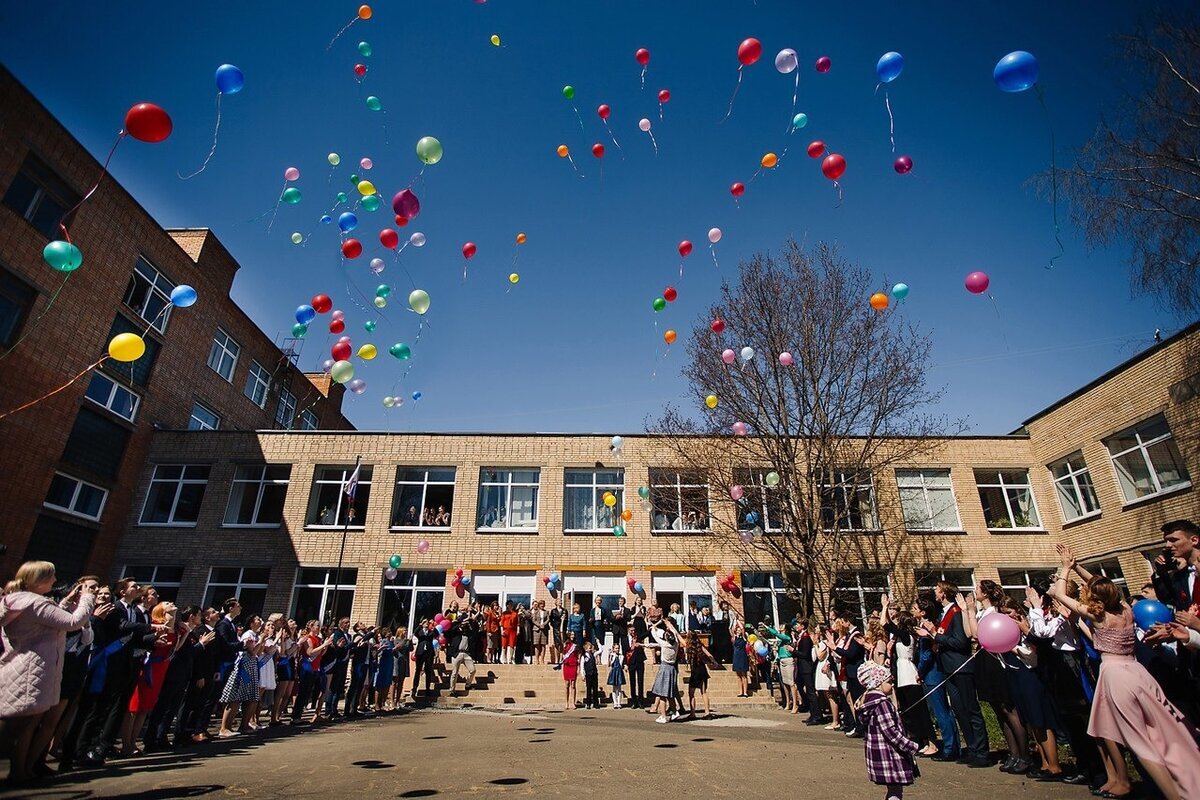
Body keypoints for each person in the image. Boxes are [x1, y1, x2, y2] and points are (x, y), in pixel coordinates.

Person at [1051, 543, 1200, 799]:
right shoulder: (1125, 610)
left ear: (1095, 598)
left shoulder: (1098, 616)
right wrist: (1077, 566)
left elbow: (1062, 596)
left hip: (1115, 675)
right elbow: (1105, 585)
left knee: (1138, 740)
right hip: (1137, 671)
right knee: (1159, 729)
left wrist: (1065, 569)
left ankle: (1172, 794)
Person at [0, 561, 95, 784]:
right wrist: (87, 598)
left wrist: (62, 603)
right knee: (21, 723)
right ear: (40, 580)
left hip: (21, 665)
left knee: (23, 722)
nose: (55, 580)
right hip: (33, 668)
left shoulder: (17, 601)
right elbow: (73, 622)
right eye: (51, 576)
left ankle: (21, 770)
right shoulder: (36, 603)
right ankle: (19, 771)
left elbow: (46, 622)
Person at [921, 581, 988, 767]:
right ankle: (972, 749)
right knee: (959, 710)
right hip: (947, 668)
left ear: (943, 593)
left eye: (937, 589)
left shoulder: (956, 613)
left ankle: (982, 751)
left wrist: (936, 635)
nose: (935, 592)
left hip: (961, 667)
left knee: (971, 709)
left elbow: (961, 642)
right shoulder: (944, 614)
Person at [857, 660, 922, 800]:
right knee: (895, 790)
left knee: (894, 789)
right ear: (877, 683)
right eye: (889, 682)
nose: (892, 685)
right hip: (890, 754)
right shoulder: (882, 704)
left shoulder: (869, 702)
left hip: (880, 753)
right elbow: (890, 732)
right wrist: (910, 745)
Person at [881, 598, 937, 757]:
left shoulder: (906, 635)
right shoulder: (901, 636)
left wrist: (885, 607)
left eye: (897, 621)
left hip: (908, 672)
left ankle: (931, 741)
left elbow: (885, 624)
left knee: (919, 709)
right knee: (908, 710)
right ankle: (918, 740)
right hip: (901, 672)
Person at [122, 600, 180, 755]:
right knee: (135, 705)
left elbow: (174, 649)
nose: (172, 603)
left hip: (161, 667)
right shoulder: (155, 624)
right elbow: (146, 642)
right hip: (148, 666)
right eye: (167, 603)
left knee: (146, 707)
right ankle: (126, 744)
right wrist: (156, 636)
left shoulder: (176, 627)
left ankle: (134, 742)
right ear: (160, 609)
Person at [218, 614, 263, 737]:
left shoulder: (255, 635)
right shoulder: (248, 634)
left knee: (251, 697)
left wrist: (261, 641)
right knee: (236, 696)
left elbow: (258, 653)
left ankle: (244, 724)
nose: (260, 621)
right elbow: (252, 652)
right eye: (258, 620)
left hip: (252, 666)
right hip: (244, 668)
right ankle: (224, 727)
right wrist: (261, 641)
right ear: (251, 623)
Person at [291, 620, 333, 724]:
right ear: (311, 627)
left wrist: (326, 645)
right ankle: (295, 716)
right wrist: (324, 645)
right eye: (317, 626)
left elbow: (321, 654)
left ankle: (299, 715)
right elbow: (310, 652)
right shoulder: (308, 638)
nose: (319, 628)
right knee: (303, 691)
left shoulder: (318, 639)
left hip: (315, 666)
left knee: (308, 691)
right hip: (307, 666)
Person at [814, 625, 841, 730]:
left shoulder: (824, 643)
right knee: (826, 694)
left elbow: (820, 656)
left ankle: (836, 720)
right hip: (820, 667)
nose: (815, 631)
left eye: (816, 629)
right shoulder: (821, 642)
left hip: (825, 667)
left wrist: (815, 645)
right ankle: (834, 719)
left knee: (830, 694)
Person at [685, 630, 715, 717]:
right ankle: (707, 712)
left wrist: (673, 629)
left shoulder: (688, 646)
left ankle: (692, 713)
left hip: (695, 671)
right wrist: (714, 662)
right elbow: (709, 655)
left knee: (691, 693)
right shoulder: (699, 646)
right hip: (702, 670)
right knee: (703, 692)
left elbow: (680, 638)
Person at [446, 614, 476, 696]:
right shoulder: (456, 631)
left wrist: (468, 624)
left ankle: (468, 685)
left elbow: (474, 633)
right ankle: (452, 689)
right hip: (457, 653)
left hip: (466, 653)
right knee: (454, 672)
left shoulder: (468, 631)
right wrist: (460, 624)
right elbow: (449, 632)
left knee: (472, 670)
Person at [554, 631, 580, 710]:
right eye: (571, 634)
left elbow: (578, 656)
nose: (573, 636)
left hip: (574, 665)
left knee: (573, 685)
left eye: (574, 634)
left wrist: (578, 668)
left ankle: (573, 703)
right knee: (567, 685)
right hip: (567, 665)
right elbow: (561, 632)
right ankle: (566, 702)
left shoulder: (576, 646)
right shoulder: (565, 644)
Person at [373, 627, 395, 711]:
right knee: (379, 684)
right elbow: (380, 653)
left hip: (389, 664)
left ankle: (382, 703)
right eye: (389, 632)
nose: (390, 633)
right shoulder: (384, 641)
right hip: (383, 664)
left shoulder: (391, 642)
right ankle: (376, 704)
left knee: (387, 684)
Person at [391, 626, 412, 707]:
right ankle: (392, 700)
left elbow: (410, 649)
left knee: (401, 682)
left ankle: (397, 700)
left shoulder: (407, 641)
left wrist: (409, 641)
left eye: (406, 631)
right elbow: (394, 649)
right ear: (400, 631)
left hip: (404, 661)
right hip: (397, 661)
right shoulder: (395, 640)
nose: (406, 632)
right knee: (394, 682)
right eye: (404, 631)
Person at [626, 632, 646, 708]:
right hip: (631, 662)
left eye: (634, 630)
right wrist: (625, 663)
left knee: (640, 681)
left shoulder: (639, 638)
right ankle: (634, 701)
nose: (633, 632)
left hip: (640, 661)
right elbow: (625, 651)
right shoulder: (625, 639)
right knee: (632, 682)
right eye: (631, 630)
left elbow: (645, 634)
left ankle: (641, 701)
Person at [732, 623, 750, 697]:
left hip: (743, 656)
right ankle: (740, 691)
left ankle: (745, 692)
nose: (739, 631)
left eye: (740, 630)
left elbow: (742, 629)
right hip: (736, 656)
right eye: (737, 630)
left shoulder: (744, 637)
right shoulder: (734, 638)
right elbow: (731, 629)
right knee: (738, 675)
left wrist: (737, 620)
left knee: (744, 675)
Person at [607, 639, 626, 709]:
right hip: (614, 672)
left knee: (619, 688)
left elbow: (622, 664)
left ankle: (619, 703)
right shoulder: (612, 655)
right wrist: (609, 656)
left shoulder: (621, 656)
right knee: (614, 688)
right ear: (613, 649)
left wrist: (625, 667)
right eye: (616, 648)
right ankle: (615, 703)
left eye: (618, 648)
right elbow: (609, 664)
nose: (617, 649)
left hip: (619, 672)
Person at [581, 640, 601, 708]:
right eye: (589, 648)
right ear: (586, 649)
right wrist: (583, 675)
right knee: (588, 689)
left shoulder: (593, 654)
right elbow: (582, 666)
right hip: (588, 674)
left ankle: (596, 703)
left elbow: (600, 650)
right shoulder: (583, 656)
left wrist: (598, 642)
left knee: (595, 689)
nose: (591, 649)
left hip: (594, 674)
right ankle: (588, 703)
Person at [532, 600, 549, 665]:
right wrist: (539, 625)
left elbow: (548, 619)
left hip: (544, 629)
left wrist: (544, 624)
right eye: (541, 604)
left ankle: (542, 660)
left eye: (543, 604)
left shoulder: (546, 612)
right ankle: (537, 660)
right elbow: (533, 620)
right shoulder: (535, 612)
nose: (542, 605)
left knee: (543, 645)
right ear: (539, 605)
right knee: (537, 645)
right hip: (536, 629)